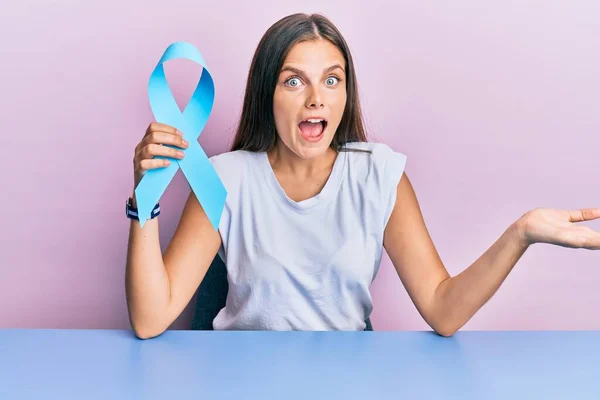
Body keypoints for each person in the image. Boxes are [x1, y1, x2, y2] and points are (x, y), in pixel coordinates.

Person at [125, 13, 600, 339]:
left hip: (349, 378)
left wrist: (520, 234)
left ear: (346, 94)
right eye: (294, 81)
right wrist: (145, 195)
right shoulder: (222, 179)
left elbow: (442, 308)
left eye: (332, 80)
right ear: (266, 94)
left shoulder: (379, 176)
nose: (316, 98)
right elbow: (149, 320)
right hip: (245, 379)